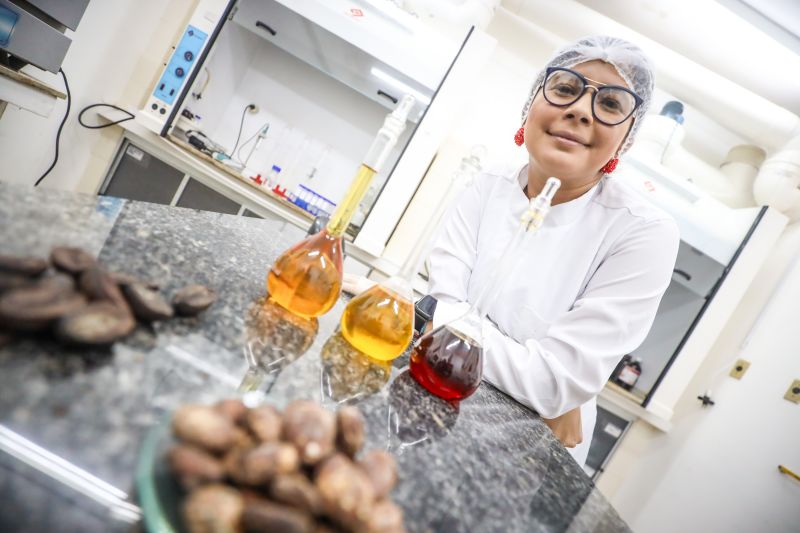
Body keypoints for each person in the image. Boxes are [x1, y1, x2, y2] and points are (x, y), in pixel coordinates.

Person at [426, 36, 679, 465]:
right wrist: (551, 391)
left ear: (627, 139)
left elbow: (551, 384)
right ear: (531, 104)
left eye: (612, 104)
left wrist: (429, 312)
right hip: (440, 395)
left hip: (529, 453)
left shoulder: (644, 232)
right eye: (565, 88)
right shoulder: (488, 184)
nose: (580, 109)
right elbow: (446, 305)